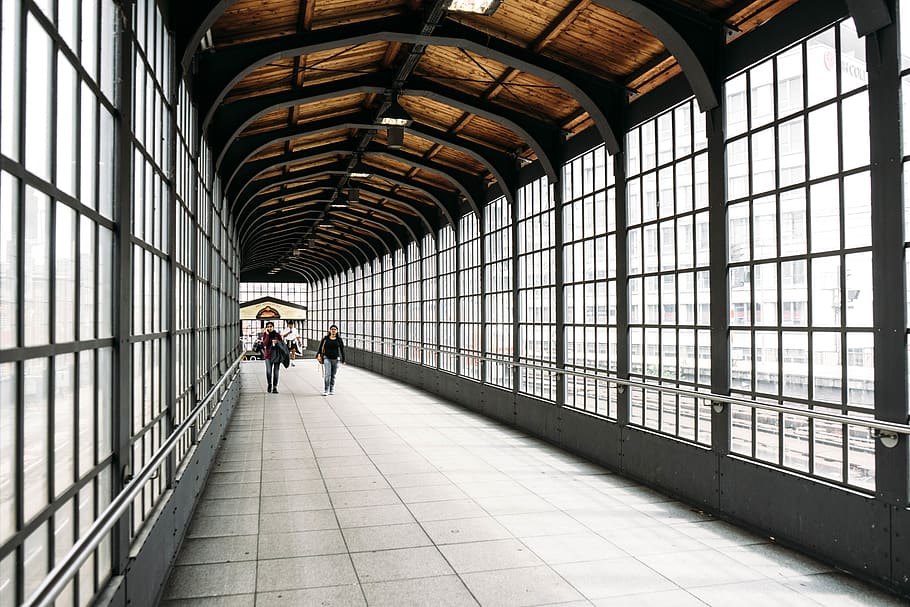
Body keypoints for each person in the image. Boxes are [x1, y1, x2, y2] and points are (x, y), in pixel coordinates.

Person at [317, 324, 345, 396]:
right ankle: (326, 389)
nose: (333, 331)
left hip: (336, 359)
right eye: (332, 329)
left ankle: (331, 389)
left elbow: (342, 349)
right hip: (327, 358)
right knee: (327, 374)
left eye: (335, 329)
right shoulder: (325, 339)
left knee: (333, 375)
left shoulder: (339, 339)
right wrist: (318, 355)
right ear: (330, 330)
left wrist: (343, 359)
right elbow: (320, 347)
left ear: (337, 331)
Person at [261, 321, 284, 393]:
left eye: (271, 326)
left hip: (277, 355)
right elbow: (264, 344)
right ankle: (269, 384)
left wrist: (277, 342)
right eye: (268, 326)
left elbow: (282, 344)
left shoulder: (277, 335)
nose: (269, 328)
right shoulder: (265, 335)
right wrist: (267, 335)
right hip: (268, 355)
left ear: (273, 327)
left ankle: (275, 387)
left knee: (276, 372)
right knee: (268, 371)